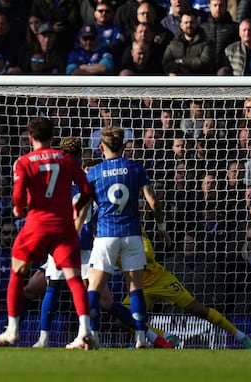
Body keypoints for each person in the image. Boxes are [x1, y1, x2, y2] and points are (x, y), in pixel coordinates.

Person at [0, 117, 93, 349]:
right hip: (63, 227)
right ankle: (84, 331)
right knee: (74, 278)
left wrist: (18, 209)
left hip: (36, 225)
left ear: (31, 137)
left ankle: (12, 329)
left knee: (18, 271)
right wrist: (77, 209)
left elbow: (18, 198)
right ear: (53, 136)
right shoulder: (67, 160)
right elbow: (88, 189)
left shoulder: (24, 162)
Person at [84, 126, 172, 350]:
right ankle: (141, 338)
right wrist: (161, 227)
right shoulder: (135, 168)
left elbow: (87, 207)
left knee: (94, 287)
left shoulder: (94, 172)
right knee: (135, 288)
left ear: (101, 147)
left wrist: (88, 227)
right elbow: (153, 201)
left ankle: (92, 335)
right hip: (133, 235)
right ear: (124, 147)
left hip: (105, 235)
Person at [101, 227, 251, 349]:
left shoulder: (134, 228)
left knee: (198, 309)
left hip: (160, 280)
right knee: (123, 319)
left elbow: (149, 256)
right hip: (139, 286)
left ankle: (241, 336)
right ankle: (165, 336)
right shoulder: (105, 240)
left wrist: (127, 251)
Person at [31, 136, 94, 348]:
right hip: (83, 242)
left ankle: (43, 338)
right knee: (87, 289)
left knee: (53, 288)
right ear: (79, 155)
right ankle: (86, 334)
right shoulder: (85, 179)